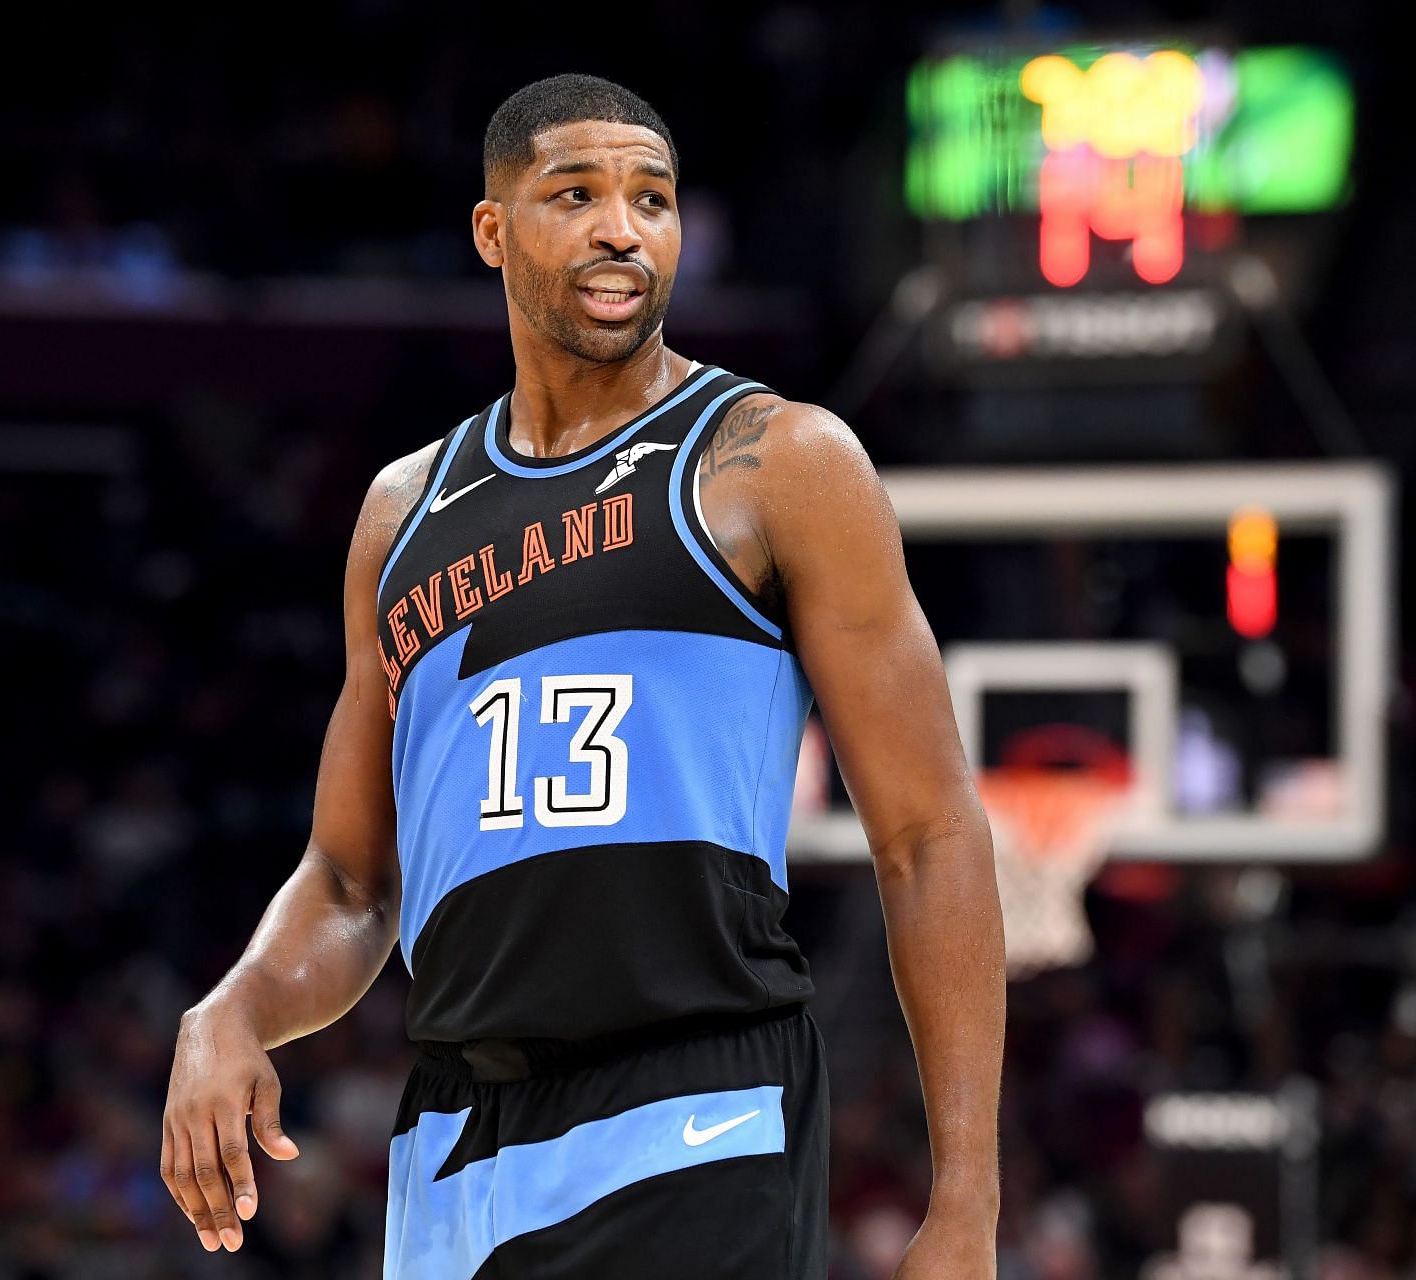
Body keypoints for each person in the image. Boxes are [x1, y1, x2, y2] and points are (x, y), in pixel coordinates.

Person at [160, 72, 1005, 1279]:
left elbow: (928, 832)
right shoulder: (403, 512)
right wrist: (231, 1009)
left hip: (694, 1094)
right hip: (456, 1132)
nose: (624, 226)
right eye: (579, 193)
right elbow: (351, 878)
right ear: (493, 229)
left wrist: (965, 1196)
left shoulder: (774, 460)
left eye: (652, 197)